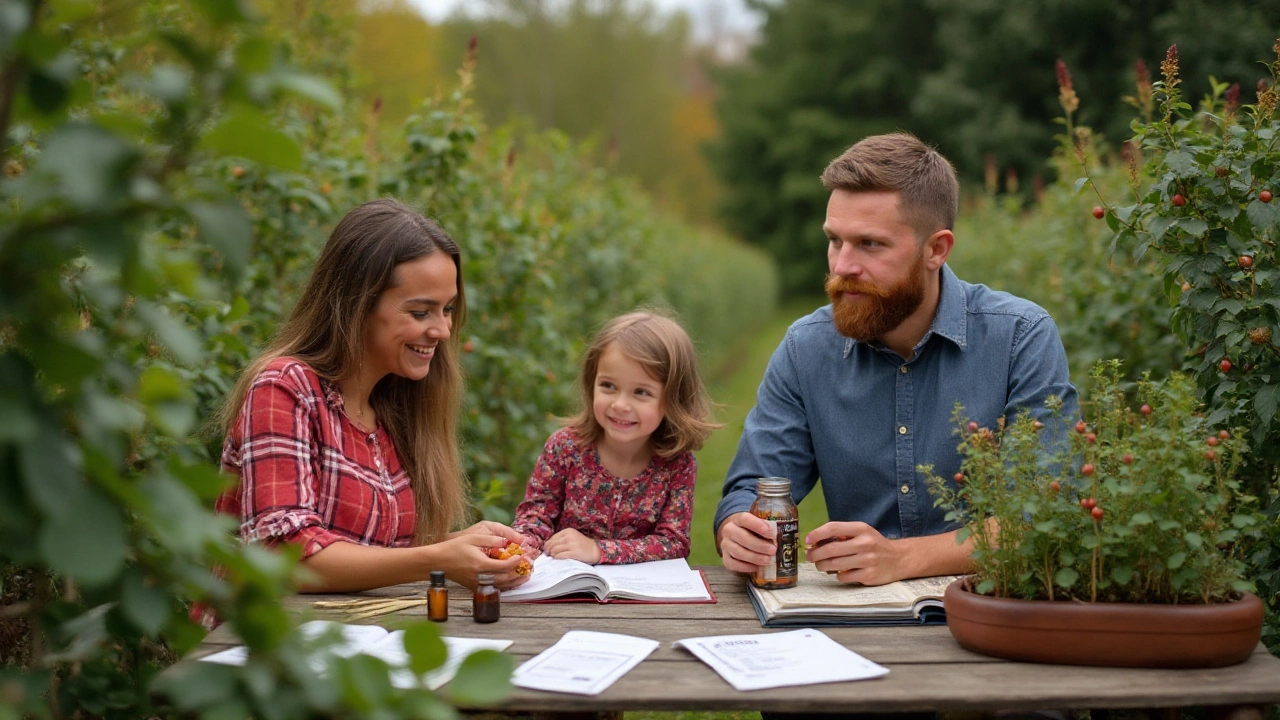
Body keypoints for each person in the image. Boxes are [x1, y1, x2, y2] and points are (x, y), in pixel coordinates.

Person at [715, 132, 1078, 587]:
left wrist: (903, 558)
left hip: (995, 609)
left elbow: (1043, 515)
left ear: (936, 249)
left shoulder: (1019, 338)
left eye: (869, 244)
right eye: (835, 241)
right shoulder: (806, 348)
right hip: (858, 628)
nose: (842, 265)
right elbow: (754, 485)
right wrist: (737, 529)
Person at [214, 198, 532, 595]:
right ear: (357, 305)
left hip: (355, 637)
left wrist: (456, 546)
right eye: (420, 313)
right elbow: (281, 554)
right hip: (264, 645)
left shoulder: (391, 406)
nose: (443, 330)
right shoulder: (285, 388)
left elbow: (372, 554)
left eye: (448, 309)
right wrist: (437, 560)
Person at [512, 311, 720, 564]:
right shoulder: (565, 447)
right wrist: (520, 548)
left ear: (673, 400)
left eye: (641, 392)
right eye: (608, 386)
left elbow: (673, 542)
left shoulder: (677, 464)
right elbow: (536, 517)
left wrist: (599, 550)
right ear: (592, 383)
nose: (621, 404)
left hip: (639, 596)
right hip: (567, 589)